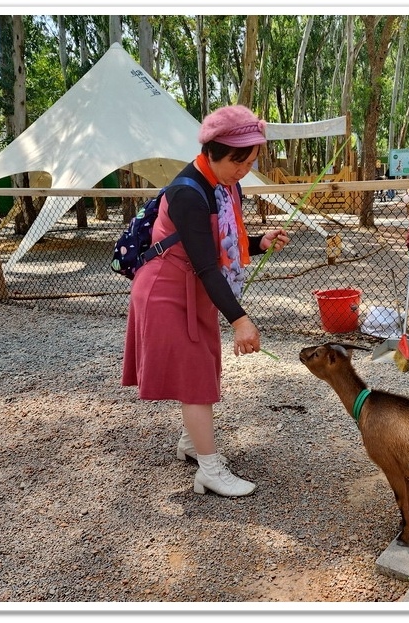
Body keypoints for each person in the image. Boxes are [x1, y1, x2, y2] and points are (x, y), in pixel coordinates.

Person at [122, 104, 290, 498]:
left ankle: (190, 442)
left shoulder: (226, 184)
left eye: (250, 161)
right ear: (213, 151)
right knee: (196, 378)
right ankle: (209, 470)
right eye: (239, 161)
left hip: (193, 285)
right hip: (166, 287)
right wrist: (240, 319)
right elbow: (205, 264)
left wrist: (257, 242)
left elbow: (221, 244)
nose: (244, 170)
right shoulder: (187, 192)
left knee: (201, 368)